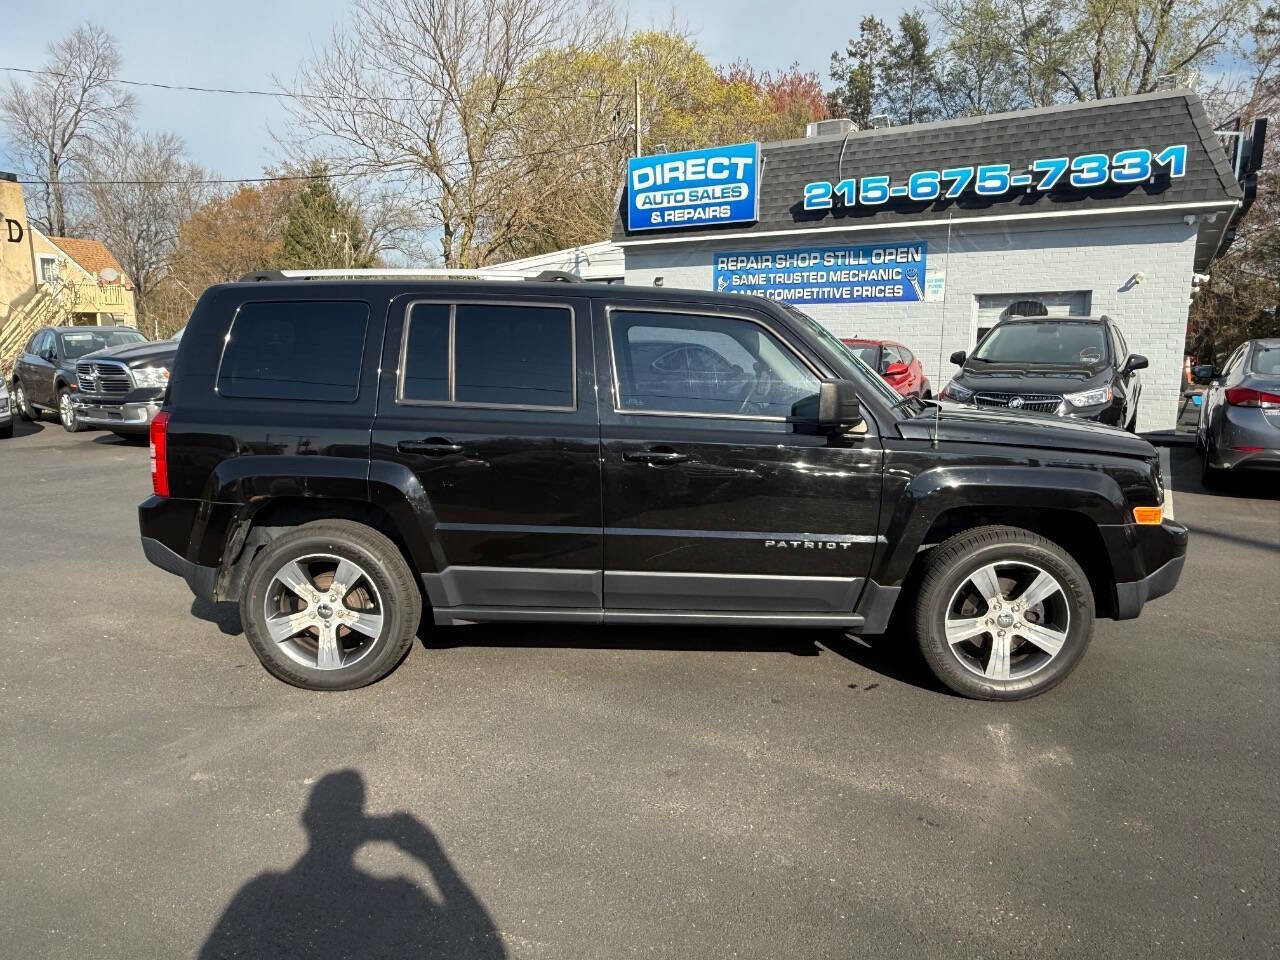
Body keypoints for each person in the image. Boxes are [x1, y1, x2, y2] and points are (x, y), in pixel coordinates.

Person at [200, 770, 505, 959]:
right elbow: (485, 948)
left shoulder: (256, 894)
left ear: (307, 820)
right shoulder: (403, 895)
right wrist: (435, 858)